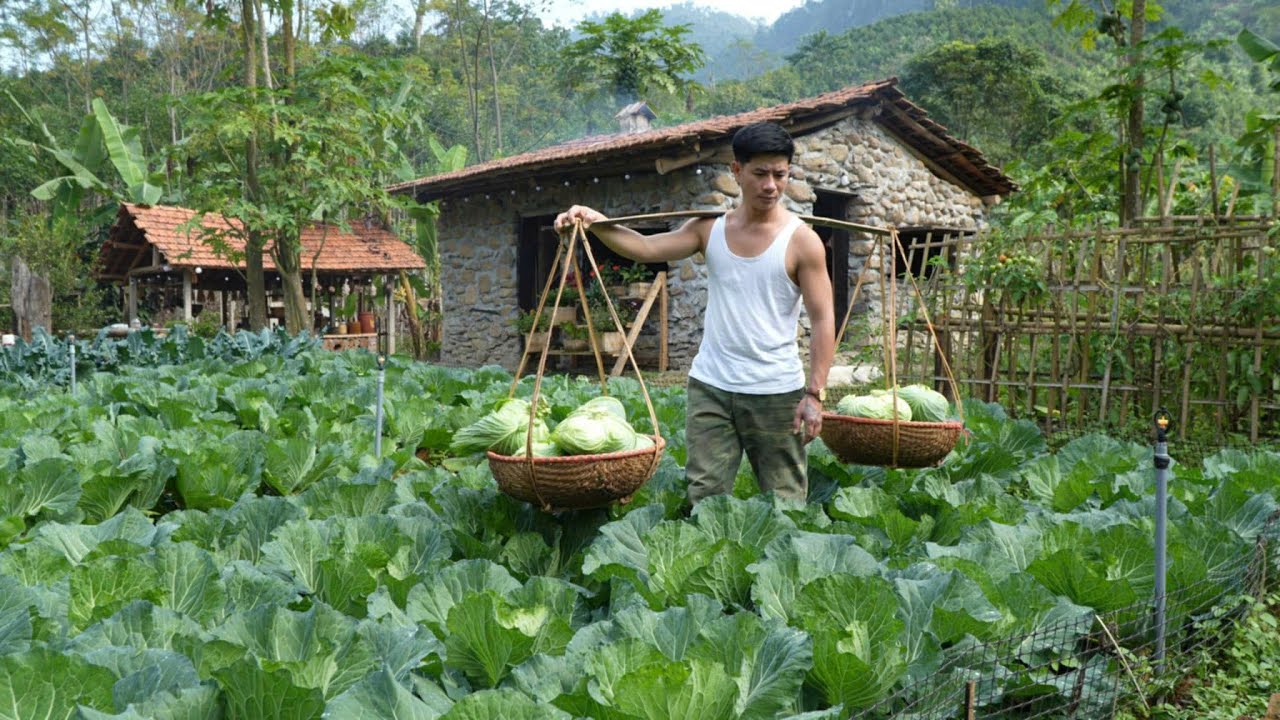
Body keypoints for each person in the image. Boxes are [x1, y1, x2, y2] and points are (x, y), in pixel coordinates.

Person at [553, 121, 835, 506]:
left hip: (775, 391)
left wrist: (815, 394)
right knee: (704, 496)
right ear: (737, 171)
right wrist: (594, 220)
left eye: (780, 174)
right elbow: (645, 248)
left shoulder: (803, 242)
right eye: (760, 174)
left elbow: (823, 320)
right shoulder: (708, 230)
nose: (771, 185)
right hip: (712, 387)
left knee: (784, 501)